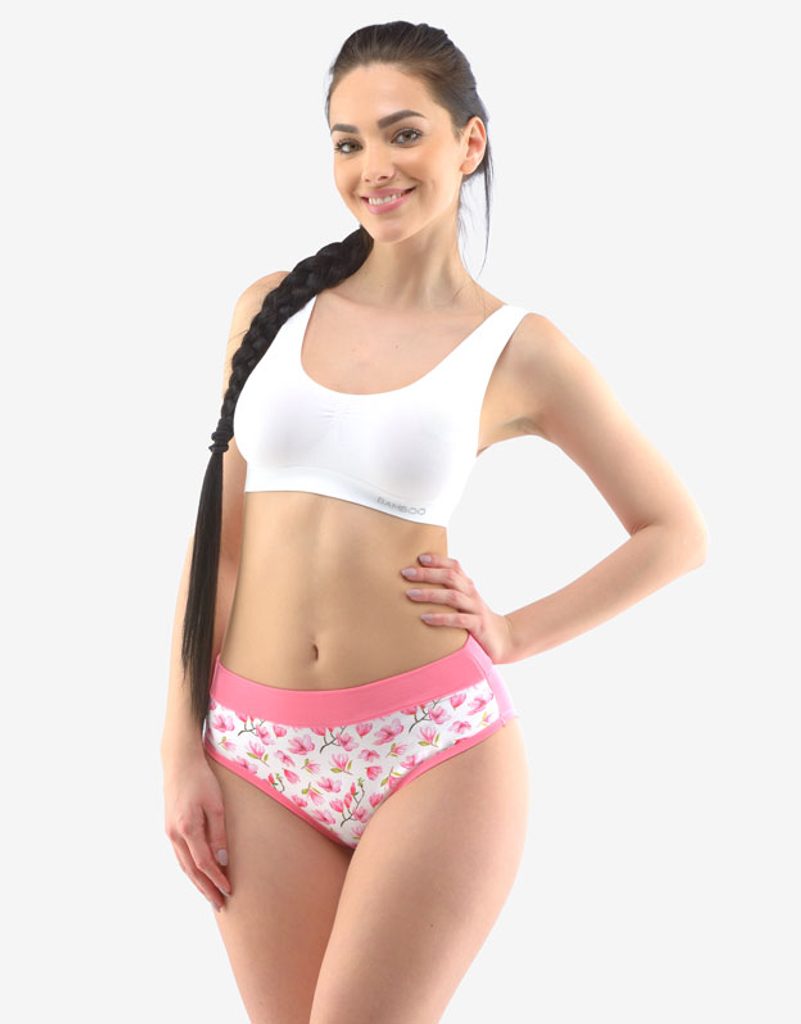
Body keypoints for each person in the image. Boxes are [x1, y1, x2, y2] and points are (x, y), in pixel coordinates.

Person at [160, 20, 708, 1024]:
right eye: (348, 141)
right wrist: (178, 747)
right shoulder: (269, 310)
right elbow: (220, 547)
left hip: (431, 753)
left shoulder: (517, 348)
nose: (373, 165)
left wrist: (514, 632)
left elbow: (673, 530)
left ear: (469, 143)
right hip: (251, 752)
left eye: (402, 133)